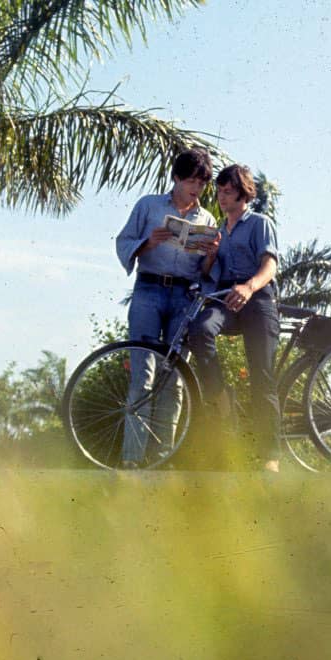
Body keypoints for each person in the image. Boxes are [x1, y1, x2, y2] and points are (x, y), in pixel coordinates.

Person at [114, 148, 217, 468]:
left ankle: (160, 458)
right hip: (148, 289)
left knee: (173, 378)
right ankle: (132, 460)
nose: (195, 188)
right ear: (175, 177)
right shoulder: (148, 205)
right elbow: (123, 242)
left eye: (201, 183)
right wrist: (150, 242)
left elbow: (205, 271)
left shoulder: (207, 218)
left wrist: (211, 253)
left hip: (183, 296)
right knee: (142, 374)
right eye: (190, 181)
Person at [188, 164, 281, 471]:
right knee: (200, 328)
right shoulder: (218, 231)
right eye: (219, 191)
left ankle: (270, 457)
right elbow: (207, 273)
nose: (221, 197)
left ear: (243, 194)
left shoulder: (259, 223)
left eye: (228, 192)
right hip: (226, 298)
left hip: (257, 299)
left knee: (261, 376)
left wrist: (250, 287)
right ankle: (222, 399)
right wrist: (211, 255)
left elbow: (270, 266)